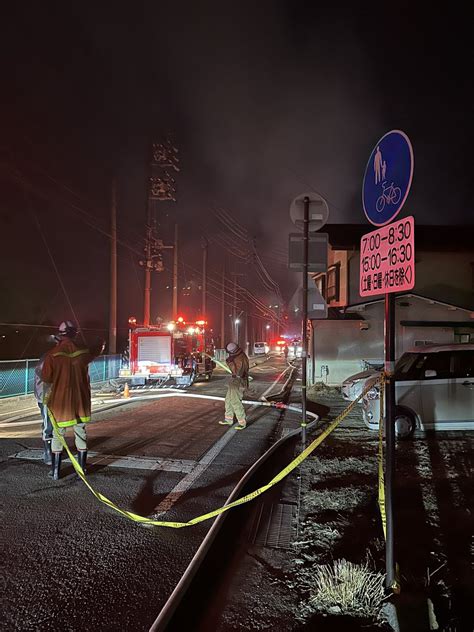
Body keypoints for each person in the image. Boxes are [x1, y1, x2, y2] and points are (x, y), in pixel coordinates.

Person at [42, 320, 105, 480]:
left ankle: (56, 472)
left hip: (60, 403)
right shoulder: (83, 353)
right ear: (75, 333)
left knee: (58, 435)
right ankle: (81, 470)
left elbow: (46, 377)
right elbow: (95, 352)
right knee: (81, 433)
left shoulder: (52, 355)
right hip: (80, 402)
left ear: (60, 335)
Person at [33, 335, 59, 465]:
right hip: (46, 397)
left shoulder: (50, 357)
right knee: (48, 425)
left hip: (50, 396)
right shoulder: (48, 359)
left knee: (53, 424)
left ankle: (54, 450)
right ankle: (49, 453)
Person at [219, 341, 249, 430]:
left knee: (235, 401)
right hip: (235, 380)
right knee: (228, 400)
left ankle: (242, 422)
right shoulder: (240, 355)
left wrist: (230, 363)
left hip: (238, 381)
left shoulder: (239, 358)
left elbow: (237, 371)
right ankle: (228, 419)